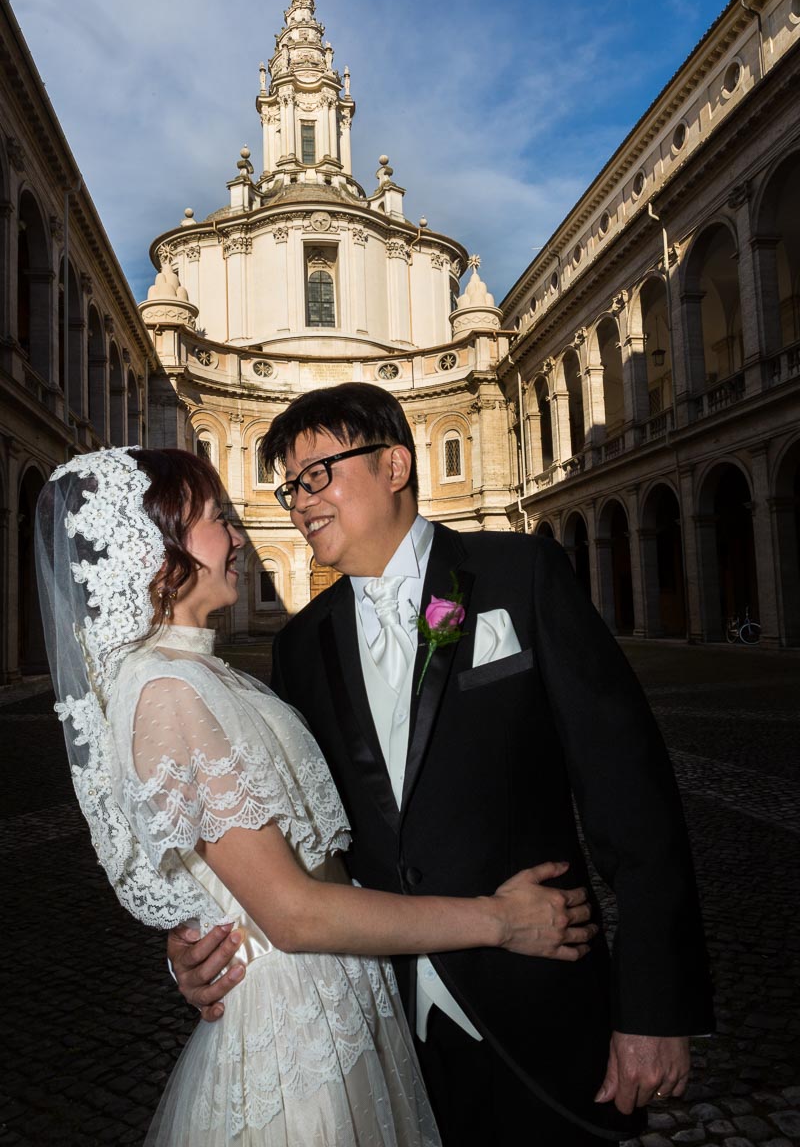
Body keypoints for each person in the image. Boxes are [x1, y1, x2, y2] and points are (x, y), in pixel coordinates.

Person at [170, 383, 714, 1146]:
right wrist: (203, 947)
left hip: (541, 1002)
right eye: (290, 486)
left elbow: (632, 797)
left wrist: (656, 1009)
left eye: (317, 474)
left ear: (395, 465)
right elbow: (290, 841)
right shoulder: (301, 645)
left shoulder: (520, 574)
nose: (299, 501)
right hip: (376, 1024)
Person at [36, 445, 598, 1147]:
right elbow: (292, 913)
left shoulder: (213, 677)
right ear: (158, 550)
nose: (240, 537)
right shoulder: (166, 692)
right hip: (297, 1019)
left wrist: (210, 925)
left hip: (349, 996)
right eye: (218, 521)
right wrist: (500, 920)